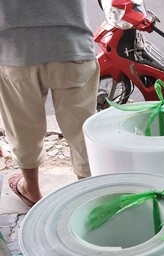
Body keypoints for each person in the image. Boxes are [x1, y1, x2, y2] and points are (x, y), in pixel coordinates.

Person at [0, 0, 99, 207]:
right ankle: (89, 197)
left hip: (15, 49)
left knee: (23, 128)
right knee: (82, 131)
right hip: (71, 44)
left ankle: (31, 189)